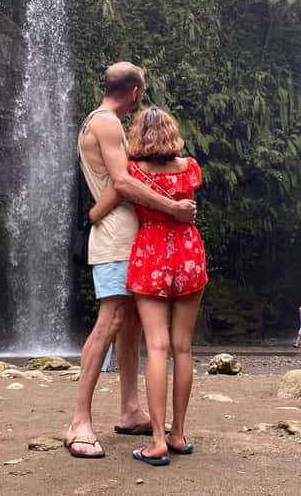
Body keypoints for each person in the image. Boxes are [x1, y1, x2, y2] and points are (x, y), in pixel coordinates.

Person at [64, 63, 197, 459]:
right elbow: (122, 183)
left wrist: (93, 214)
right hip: (117, 237)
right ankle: (79, 422)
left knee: (132, 322)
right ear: (136, 92)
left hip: (126, 233)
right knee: (112, 320)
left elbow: (116, 185)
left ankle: (129, 408)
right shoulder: (106, 123)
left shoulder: (104, 122)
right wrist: (174, 208)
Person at [92, 106, 207, 467]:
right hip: (188, 253)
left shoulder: (133, 172)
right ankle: (179, 434)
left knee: (155, 347)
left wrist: (91, 218)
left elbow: (100, 210)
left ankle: (157, 440)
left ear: (138, 135)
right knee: (182, 348)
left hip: (151, 256)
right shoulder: (189, 167)